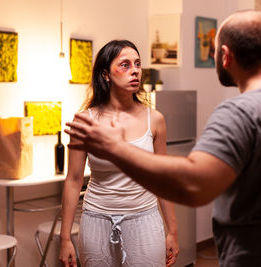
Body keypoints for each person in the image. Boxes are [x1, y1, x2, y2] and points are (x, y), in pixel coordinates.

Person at [65, 10, 261, 267]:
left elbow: (194, 186)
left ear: (225, 55)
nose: (135, 70)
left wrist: (113, 148)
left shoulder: (238, 114)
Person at [59, 39, 179, 267]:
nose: (134, 70)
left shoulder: (154, 120)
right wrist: (65, 238)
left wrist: (172, 230)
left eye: (137, 64)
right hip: (96, 220)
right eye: (125, 64)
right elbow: (73, 180)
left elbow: (162, 179)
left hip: (144, 220)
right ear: (105, 74)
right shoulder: (85, 121)